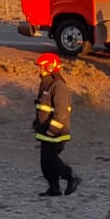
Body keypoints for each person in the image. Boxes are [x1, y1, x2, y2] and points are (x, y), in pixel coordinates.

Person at [32, 53, 80, 197]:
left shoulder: (59, 87)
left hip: (56, 133)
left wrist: (52, 130)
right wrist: (37, 124)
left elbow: (61, 113)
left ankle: (71, 177)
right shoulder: (46, 84)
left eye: (41, 67)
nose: (39, 70)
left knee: (51, 159)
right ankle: (54, 188)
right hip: (45, 131)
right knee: (44, 162)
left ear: (50, 67)